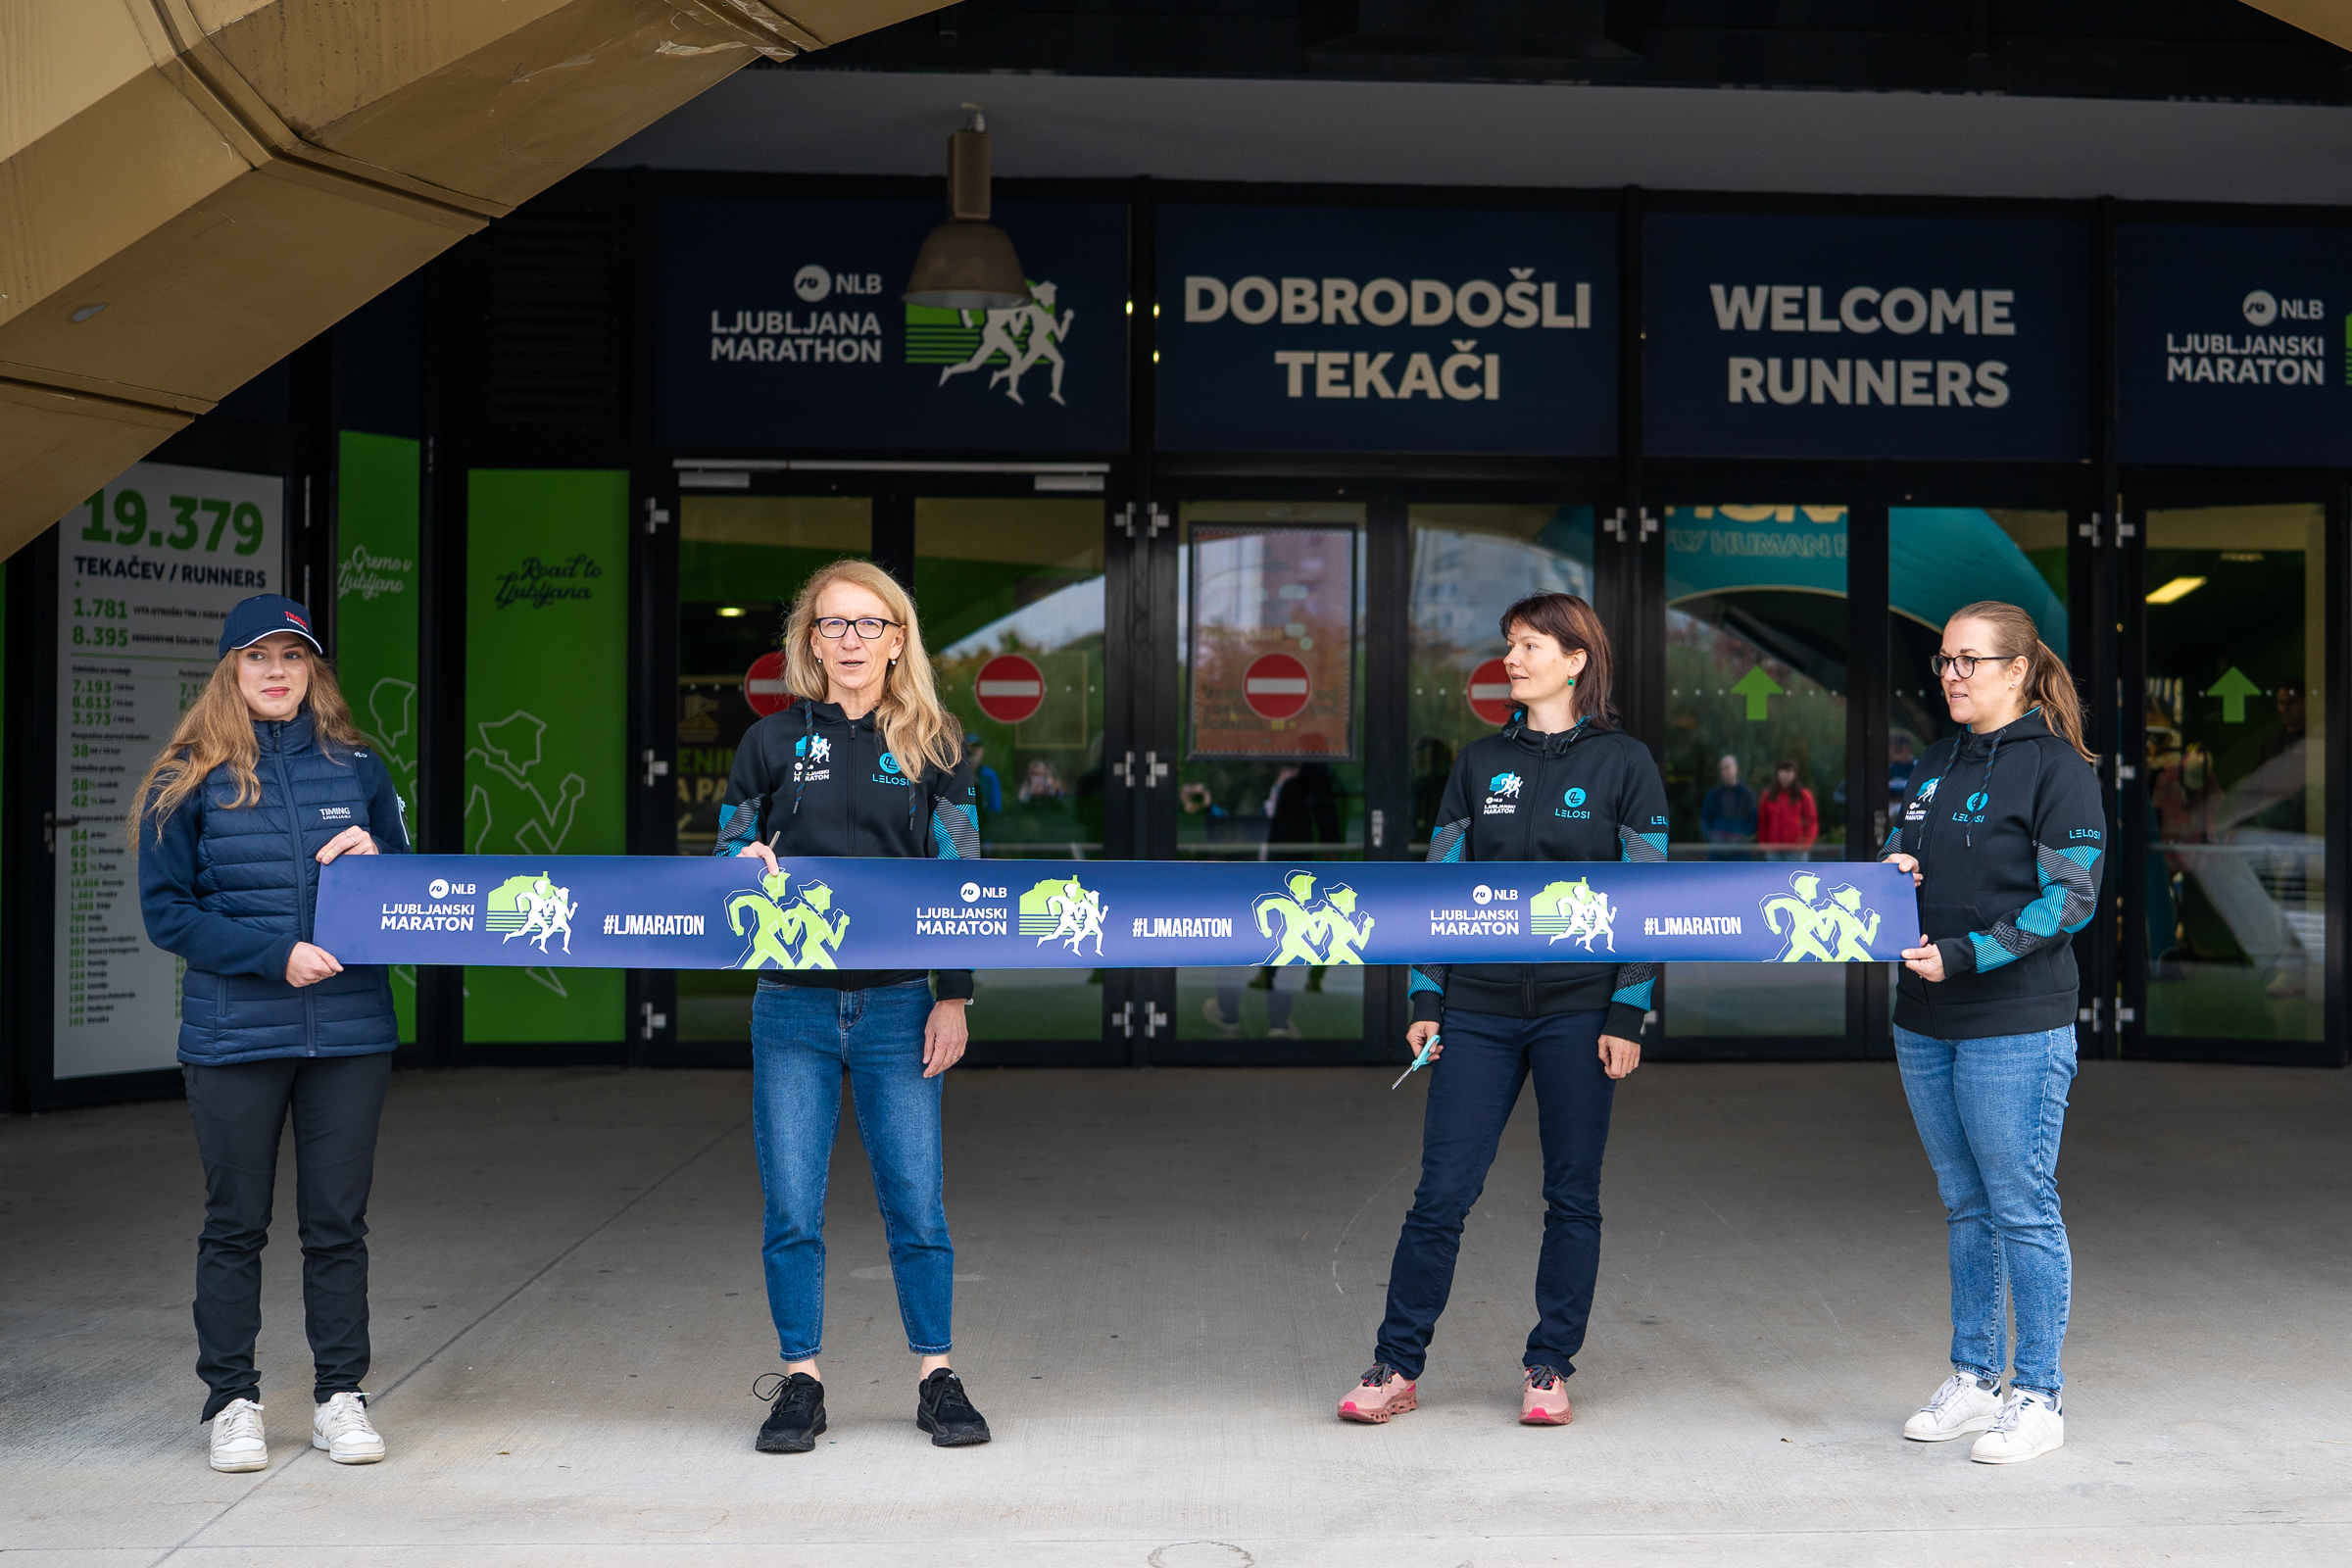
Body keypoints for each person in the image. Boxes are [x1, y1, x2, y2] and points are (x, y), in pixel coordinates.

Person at [1338, 592, 1667, 1429]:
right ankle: (1395, 1365)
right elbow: (1439, 890)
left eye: (1528, 646)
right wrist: (1427, 996)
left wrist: (1627, 1010)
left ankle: (1549, 1366)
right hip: (1478, 1011)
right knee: (1441, 1194)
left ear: (1575, 660)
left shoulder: (1626, 764)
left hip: (1580, 1012)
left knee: (1573, 1196)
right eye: (1509, 645)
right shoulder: (1479, 763)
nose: (1511, 660)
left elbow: (1648, 899)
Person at [714, 561, 992, 1454]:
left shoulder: (935, 744)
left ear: (897, 639)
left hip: (900, 1005)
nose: (850, 641)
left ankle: (937, 1377)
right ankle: (802, 1381)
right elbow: (724, 853)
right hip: (790, 1007)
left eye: (869, 624)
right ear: (811, 640)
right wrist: (739, 864)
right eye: (832, 624)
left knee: (916, 1205)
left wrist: (955, 996)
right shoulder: (767, 741)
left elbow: (961, 882)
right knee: (792, 1208)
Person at [132, 595, 409, 1474]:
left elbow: (412, 890)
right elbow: (168, 914)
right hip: (236, 1035)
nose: (278, 672)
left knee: (336, 1225)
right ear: (231, 670)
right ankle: (232, 1402)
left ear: (312, 669)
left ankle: (340, 1398)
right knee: (234, 1224)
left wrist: (381, 861)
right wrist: (273, 955)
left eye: (293, 656)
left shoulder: (358, 768)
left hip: (349, 1033)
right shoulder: (185, 777)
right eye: (259, 657)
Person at [1881, 600, 2105, 1466]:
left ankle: (2038, 1395)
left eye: (1969, 660)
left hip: (2015, 1023)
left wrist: (1969, 955)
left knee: (2021, 1206)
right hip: (1924, 1020)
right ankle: (1975, 1378)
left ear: (2017, 670)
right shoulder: (1935, 762)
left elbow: (2070, 897)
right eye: (1944, 660)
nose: (1951, 675)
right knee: (1966, 1204)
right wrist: (1893, 870)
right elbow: (1903, 853)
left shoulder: (2057, 767)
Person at [1756, 759, 1819, 861]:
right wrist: (1764, 845)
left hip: (1797, 850)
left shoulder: (1804, 795)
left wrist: (1806, 844)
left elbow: (1811, 821)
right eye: (1783, 771)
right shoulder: (1767, 796)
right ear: (1778, 773)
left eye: (1789, 771)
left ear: (1795, 774)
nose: (1785, 775)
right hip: (1773, 850)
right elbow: (1762, 822)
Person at [1698, 753, 1757, 858]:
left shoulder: (1748, 794)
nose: (1724, 772)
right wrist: (1712, 838)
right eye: (1721, 769)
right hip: (1717, 852)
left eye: (1727, 768)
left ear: (1736, 768)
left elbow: (1753, 820)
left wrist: (1742, 837)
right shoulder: (1713, 794)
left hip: (1740, 853)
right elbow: (1705, 820)